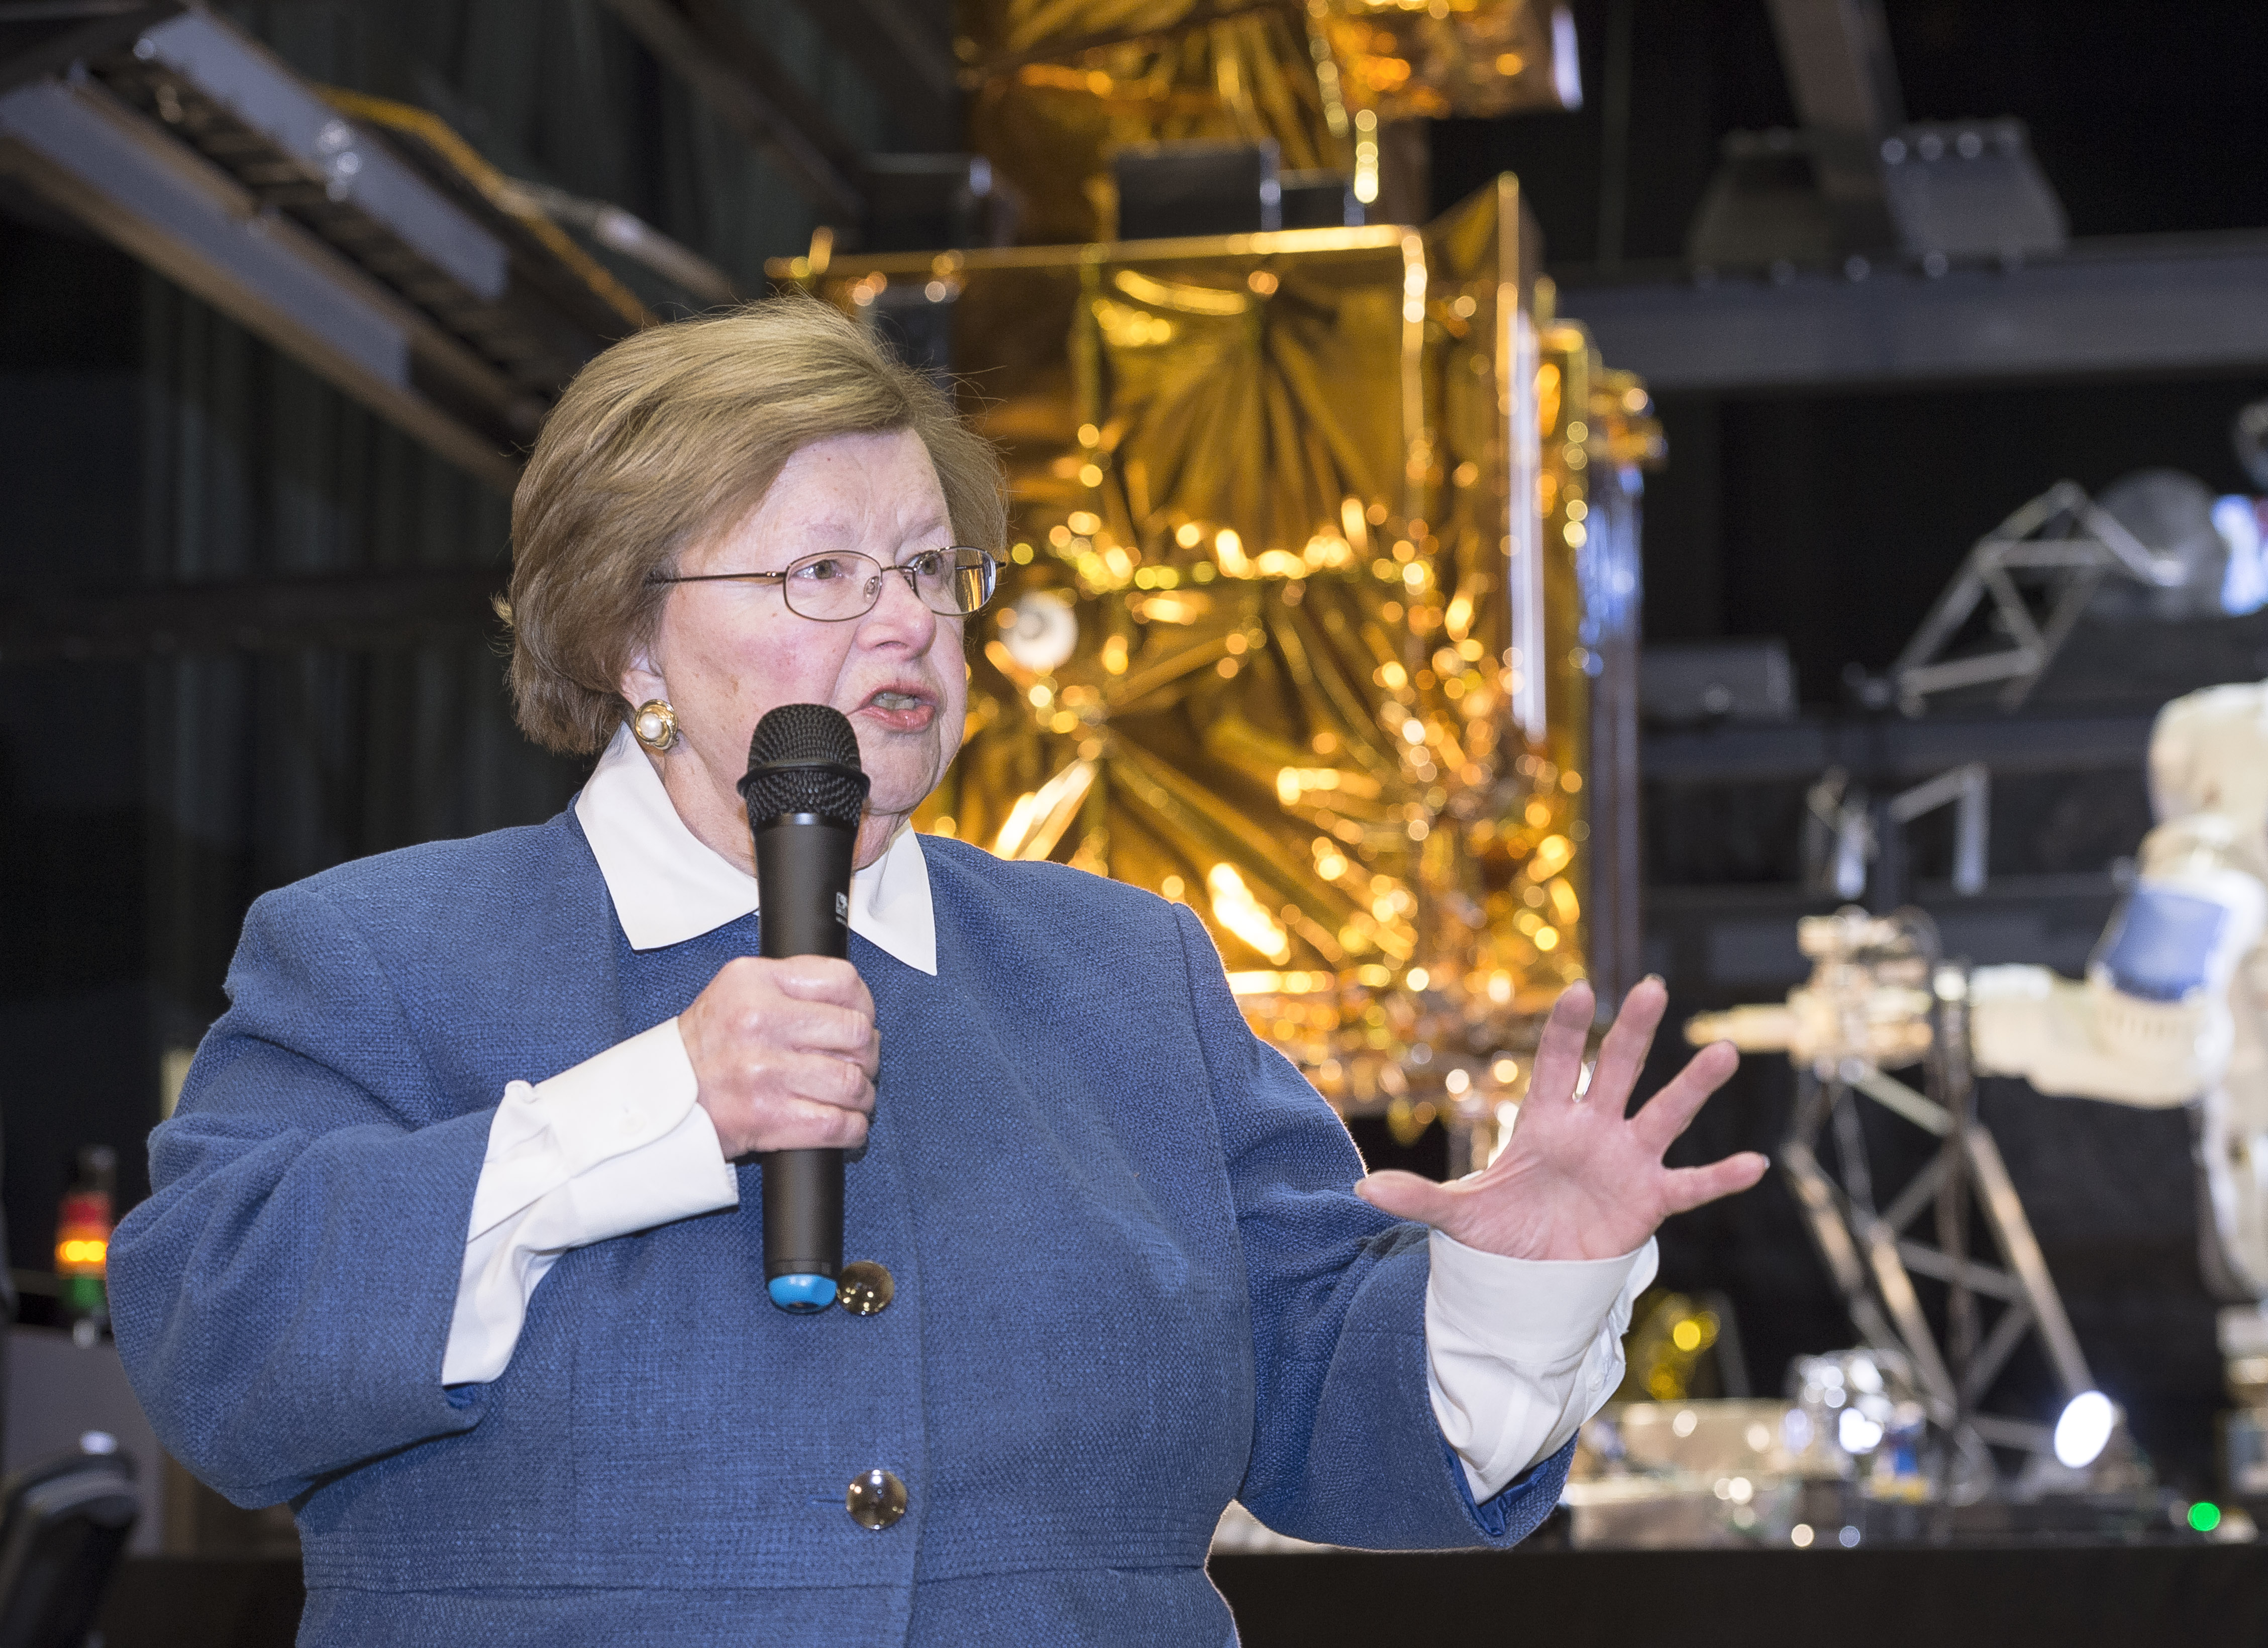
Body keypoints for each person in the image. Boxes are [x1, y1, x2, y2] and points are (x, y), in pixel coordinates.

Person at [108, 295, 1764, 1645]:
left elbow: (1335, 1420)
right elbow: (213, 1347)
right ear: (627, 638)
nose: (903, 627)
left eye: (927, 571)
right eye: (823, 575)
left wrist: (1525, 1282)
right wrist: (650, 1114)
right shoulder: (382, 952)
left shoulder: (1127, 974)